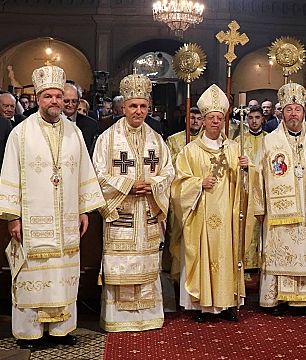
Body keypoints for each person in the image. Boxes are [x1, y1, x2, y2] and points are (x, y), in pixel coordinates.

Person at [0, 65, 104, 350]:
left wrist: (83, 209)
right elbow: (11, 174)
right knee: (35, 273)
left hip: (66, 219)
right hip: (32, 223)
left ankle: (61, 329)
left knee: (62, 274)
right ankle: (29, 332)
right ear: (39, 98)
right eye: (48, 97)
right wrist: (13, 218)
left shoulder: (74, 133)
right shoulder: (21, 133)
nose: (54, 101)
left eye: (58, 96)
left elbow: (83, 172)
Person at [92, 74, 174, 332]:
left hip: (147, 212)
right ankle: (119, 320)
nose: (138, 111)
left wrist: (153, 185)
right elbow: (97, 174)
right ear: (123, 108)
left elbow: (169, 171)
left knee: (148, 264)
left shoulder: (156, 139)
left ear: (149, 107)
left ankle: (147, 316)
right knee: (121, 265)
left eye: (143, 106)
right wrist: (128, 186)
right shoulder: (107, 139)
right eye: (133, 106)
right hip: (122, 214)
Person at [171, 84, 252, 323]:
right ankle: (200, 305)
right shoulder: (190, 151)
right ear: (203, 121)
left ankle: (227, 304)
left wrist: (247, 169)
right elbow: (178, 185)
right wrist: (197, 184)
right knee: (202, 255)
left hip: (227, 212)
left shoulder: (235, 149)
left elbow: (246, 184)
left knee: (226, 255)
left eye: (219, 118)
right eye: (211, 118)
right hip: (201, 214)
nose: (215, 122)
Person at [254, 83, 306, 315]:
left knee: (305, 253)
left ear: (304, 111)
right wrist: (259, 207)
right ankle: (275, 299)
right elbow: (258, 175)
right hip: (277, 212)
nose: (293, 114)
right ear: (282, 112)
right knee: (277, 252)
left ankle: (303, 300)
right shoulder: (269, 141)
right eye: (289, 109)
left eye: (297, 109)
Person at [164, 107, 204, 274]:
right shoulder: (174, 140)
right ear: (186, 119)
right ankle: (176, 268)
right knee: (177, 231)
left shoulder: (207, 141)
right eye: (192, 117)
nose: (195, 121)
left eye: (198, 118)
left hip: (201, 193)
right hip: (180, 194)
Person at [235, 105, 267, 273]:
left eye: (257, 117)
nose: (254, 121)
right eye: (251, 118)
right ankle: (246, 263)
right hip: (246, 190)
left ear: (263, 119)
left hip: (264, 192)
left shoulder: (269, 139)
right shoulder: (239, 141)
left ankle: (262, 262)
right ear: (247, 120)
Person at [63, 83, 100, 157]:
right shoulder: (52, 122)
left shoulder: (91, 125)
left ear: (79, 102)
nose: (70, 104)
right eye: (66, 101)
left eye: (74, 101)